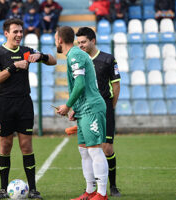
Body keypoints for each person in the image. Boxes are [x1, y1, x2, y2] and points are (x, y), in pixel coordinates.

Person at [0, 18, 56, 199]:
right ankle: (3, 189)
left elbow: (53, 60)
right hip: (4, 104)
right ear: (6, 33)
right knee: (5, 145)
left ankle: (33, 189)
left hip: (24, 104)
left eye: (21, 31)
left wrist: (40, 56)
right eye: (15, 32)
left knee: (26, 146)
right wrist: (13, 66)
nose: (19, 35)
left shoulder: (26, 51)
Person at [55, 26, 109, 200]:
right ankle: (90, 191)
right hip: (84, 109)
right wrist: (75, 109)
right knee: (84, 151)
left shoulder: (75, 55)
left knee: (94, 151)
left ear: (60, 40)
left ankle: (102, 193)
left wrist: (68, 105)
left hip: (92, 108)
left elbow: (80, 85)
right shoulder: (74, 55)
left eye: (55, 38)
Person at [76, 27, 121, 197]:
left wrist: (111, 106)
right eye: (78, 42)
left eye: (83, 42)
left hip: (104, 108)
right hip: (87, 110)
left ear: (92, 41)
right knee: (90, 149)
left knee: (107, 148)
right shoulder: (79, 61)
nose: (81, 45)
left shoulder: (108, 59)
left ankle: (113, 186)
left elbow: (116, 85)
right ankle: (92, 189)